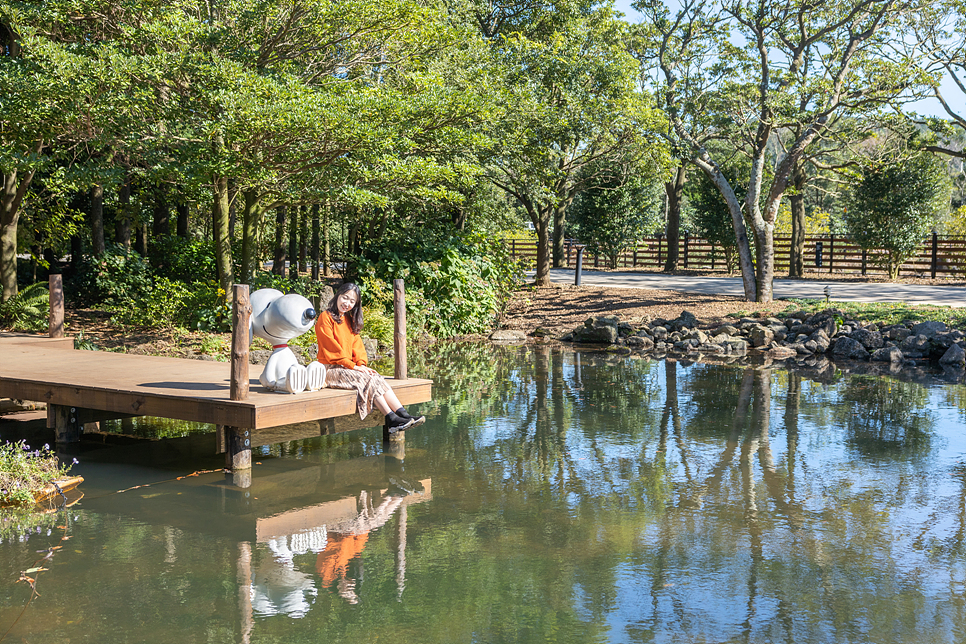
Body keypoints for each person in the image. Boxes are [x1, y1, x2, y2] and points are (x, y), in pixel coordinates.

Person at [315, 282, 425, 431]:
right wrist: (354, 367)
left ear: (356, 304)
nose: (347, 303)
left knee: (375, 376)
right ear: (337, 296)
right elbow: (331, 348)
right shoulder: (325, 317)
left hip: (348, 368)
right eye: (344, 298)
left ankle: (404, 415)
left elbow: (357, 347)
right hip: (330, 370)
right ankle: (391, 418)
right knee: (366, 379)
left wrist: (361, 365)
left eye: (352, 301)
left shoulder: (349, 321)